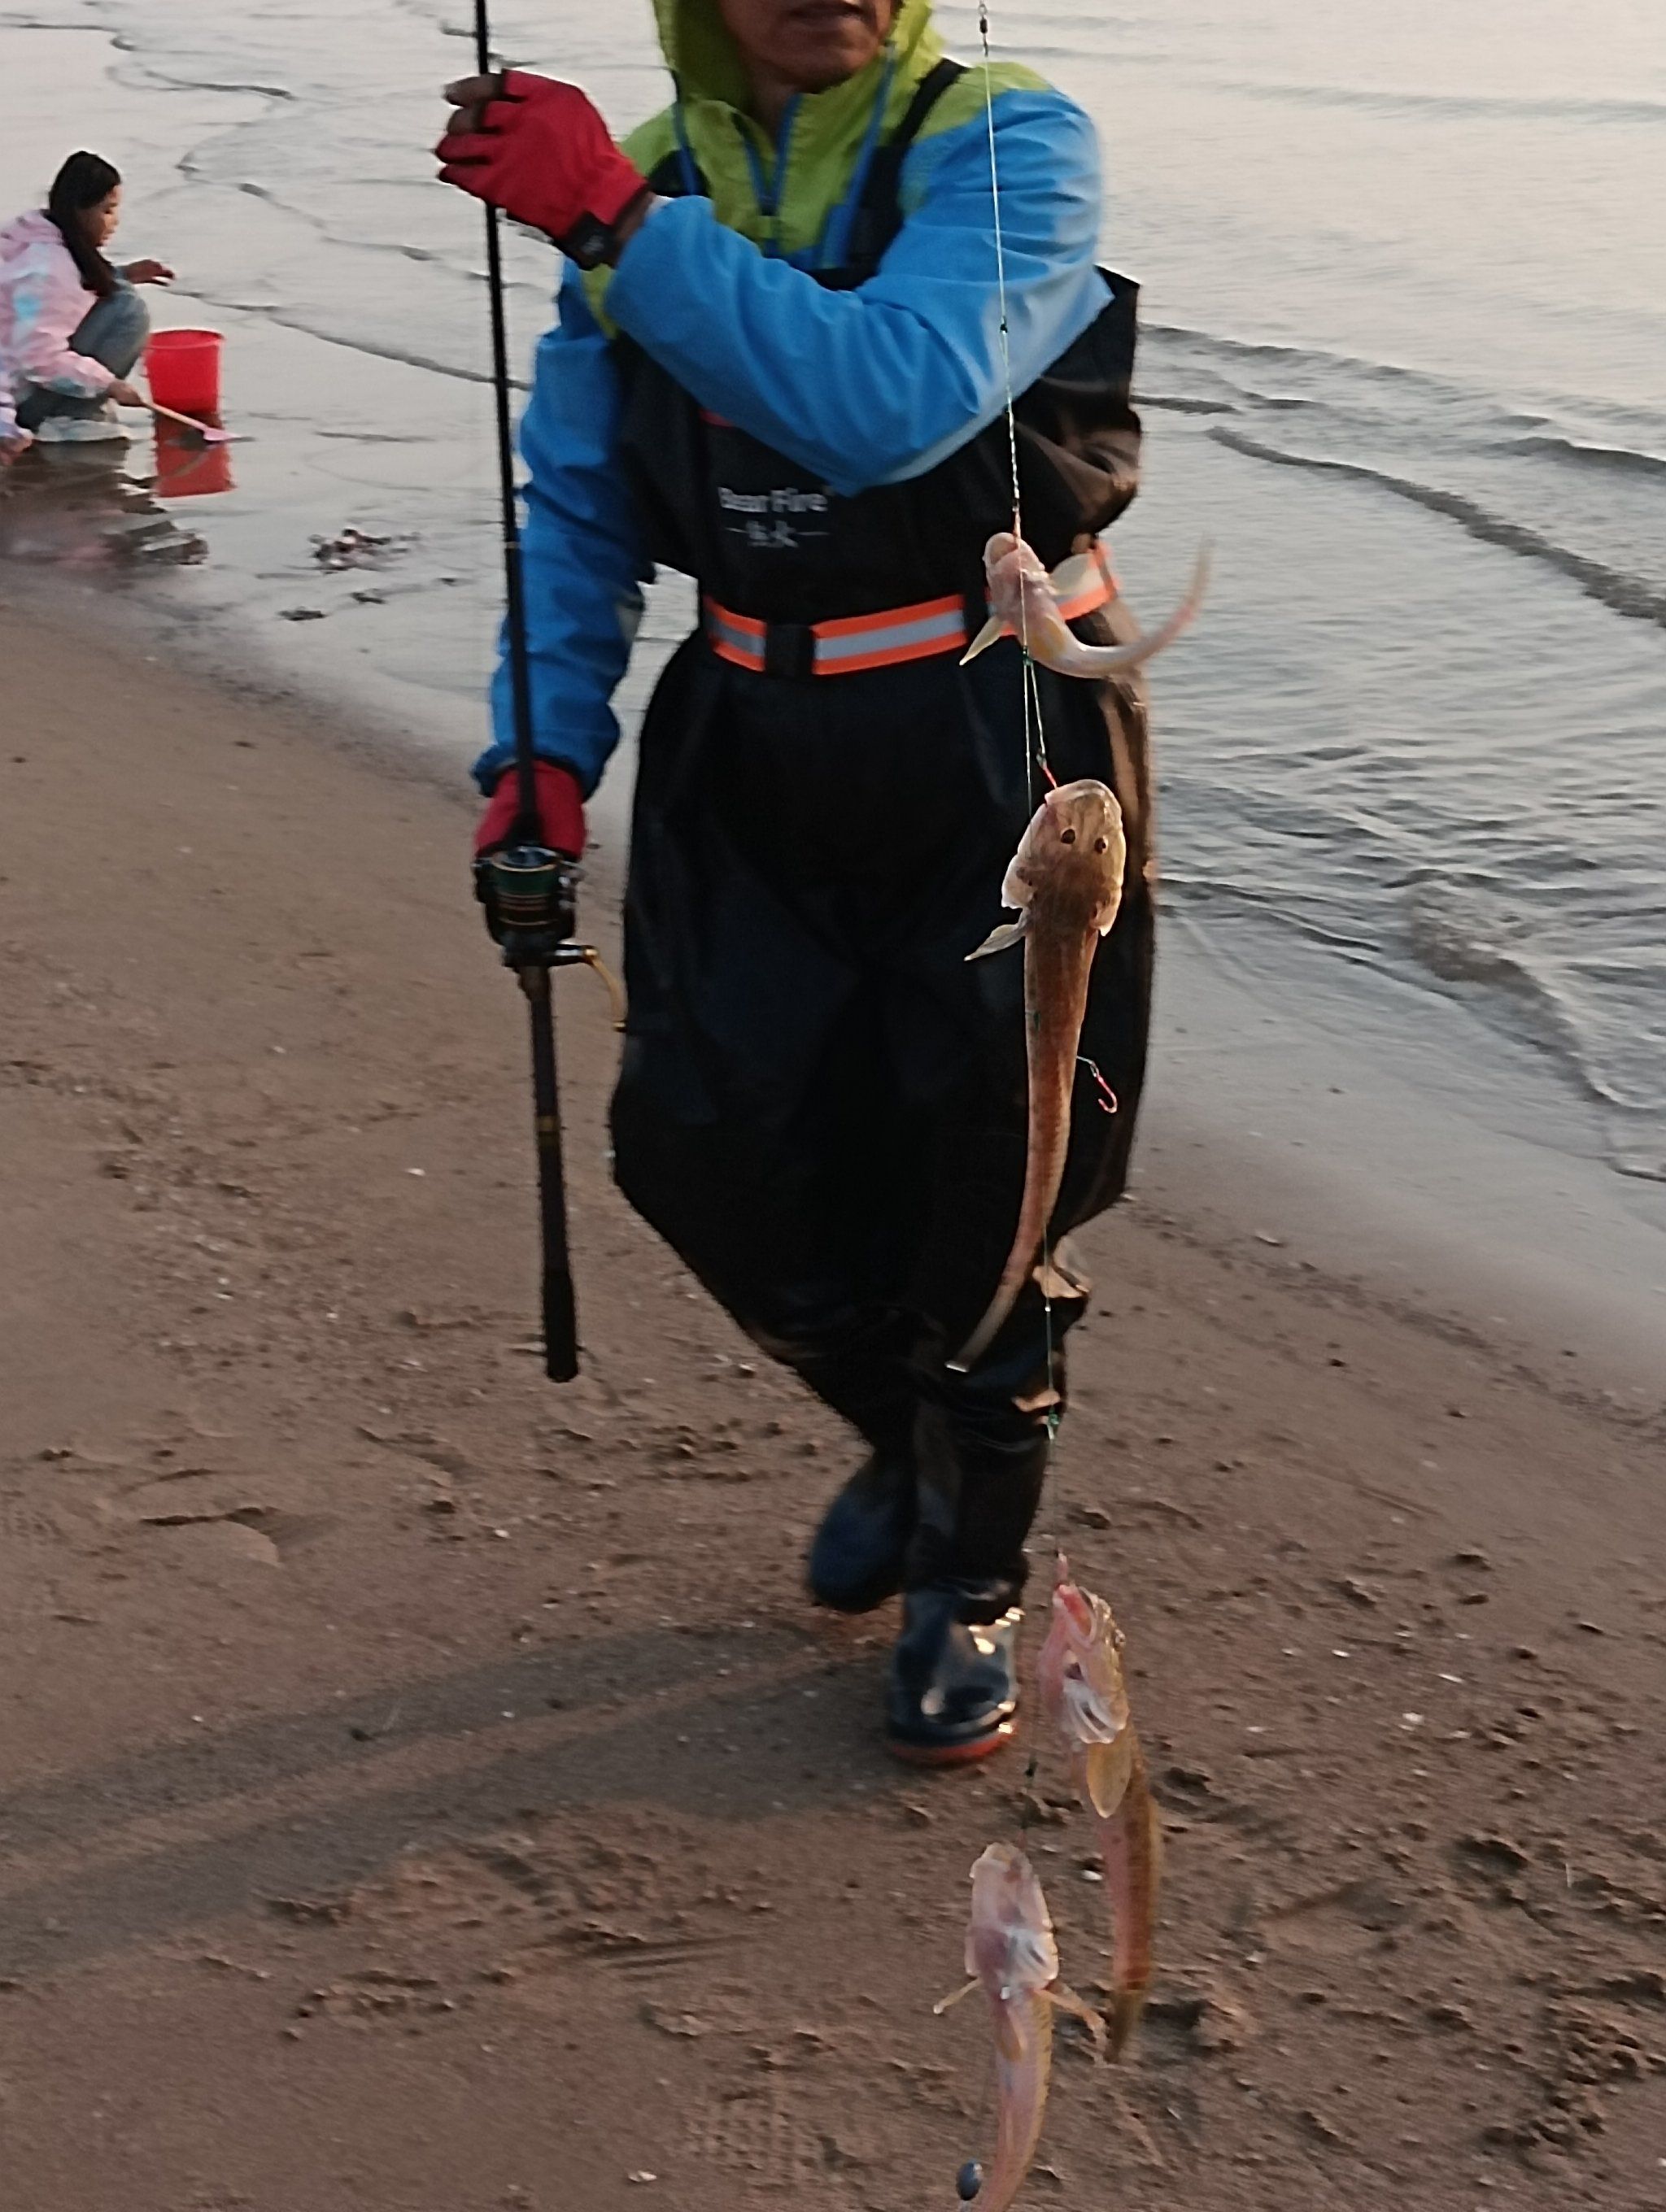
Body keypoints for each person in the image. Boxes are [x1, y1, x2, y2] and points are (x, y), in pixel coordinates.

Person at [438, 0, 1154, 1766]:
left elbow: (889, 402)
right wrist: (537, 754)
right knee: (695, 1134)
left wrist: (609, 222)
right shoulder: (656, 177)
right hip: (748, 726)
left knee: (993, 1164)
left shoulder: (1006, 143)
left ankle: (964, 1576)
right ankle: (908, 1441)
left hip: (998, 724)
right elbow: (583, 505)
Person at [0, 151, 175, 459]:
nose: (114, 222)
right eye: (107, 211)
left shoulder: (29, 239)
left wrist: (123, 274)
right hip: (13, 400)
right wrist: (109, 384)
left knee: (117, 289)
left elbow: (36, 301)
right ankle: (67, 417)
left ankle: (69, 405)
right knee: (128, 310)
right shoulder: (50, 269)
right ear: (79, 210)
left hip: (10, 375)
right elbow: (37, 357)